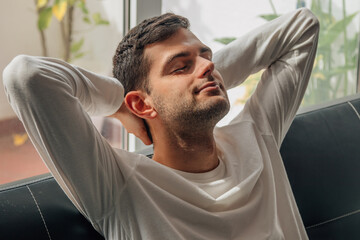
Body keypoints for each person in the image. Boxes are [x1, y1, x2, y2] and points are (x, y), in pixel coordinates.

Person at [3, 7, 319, 240]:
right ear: (141, 103)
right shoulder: (119, 189)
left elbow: (302, 26)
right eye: (180, 66)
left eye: (207, 57)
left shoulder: (255, 138)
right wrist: (121, 104)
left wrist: (203, 75)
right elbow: (27, 76)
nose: (209, 65)